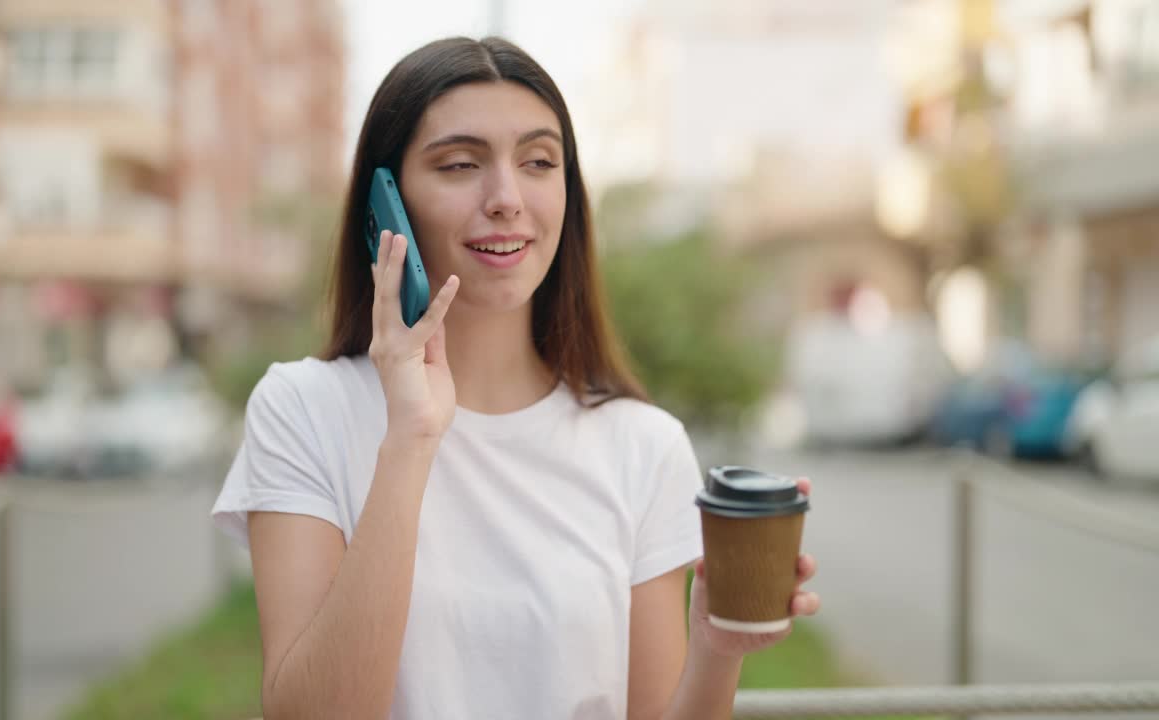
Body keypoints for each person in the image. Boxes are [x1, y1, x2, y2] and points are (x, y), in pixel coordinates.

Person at [212, 36, 819, 719]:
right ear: (387, 204)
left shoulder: (644, 446)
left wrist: (716, 648)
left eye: (538, 161)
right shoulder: (302, 410)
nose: (506, 198)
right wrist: (411, 436)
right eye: (461, 164)